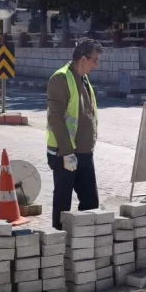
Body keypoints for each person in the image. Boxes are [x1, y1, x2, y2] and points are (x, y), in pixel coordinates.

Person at [46, 38, 102, 230]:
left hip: (84, 152)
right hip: (65, 153)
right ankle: (58, 242)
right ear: (83, 59)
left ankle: (83, 242)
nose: (97, 64)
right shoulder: (61, 78)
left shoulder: (83, 78)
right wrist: (67, 151)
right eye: (94, 59)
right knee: (63, 202)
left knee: (90, 202)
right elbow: (55, 118)